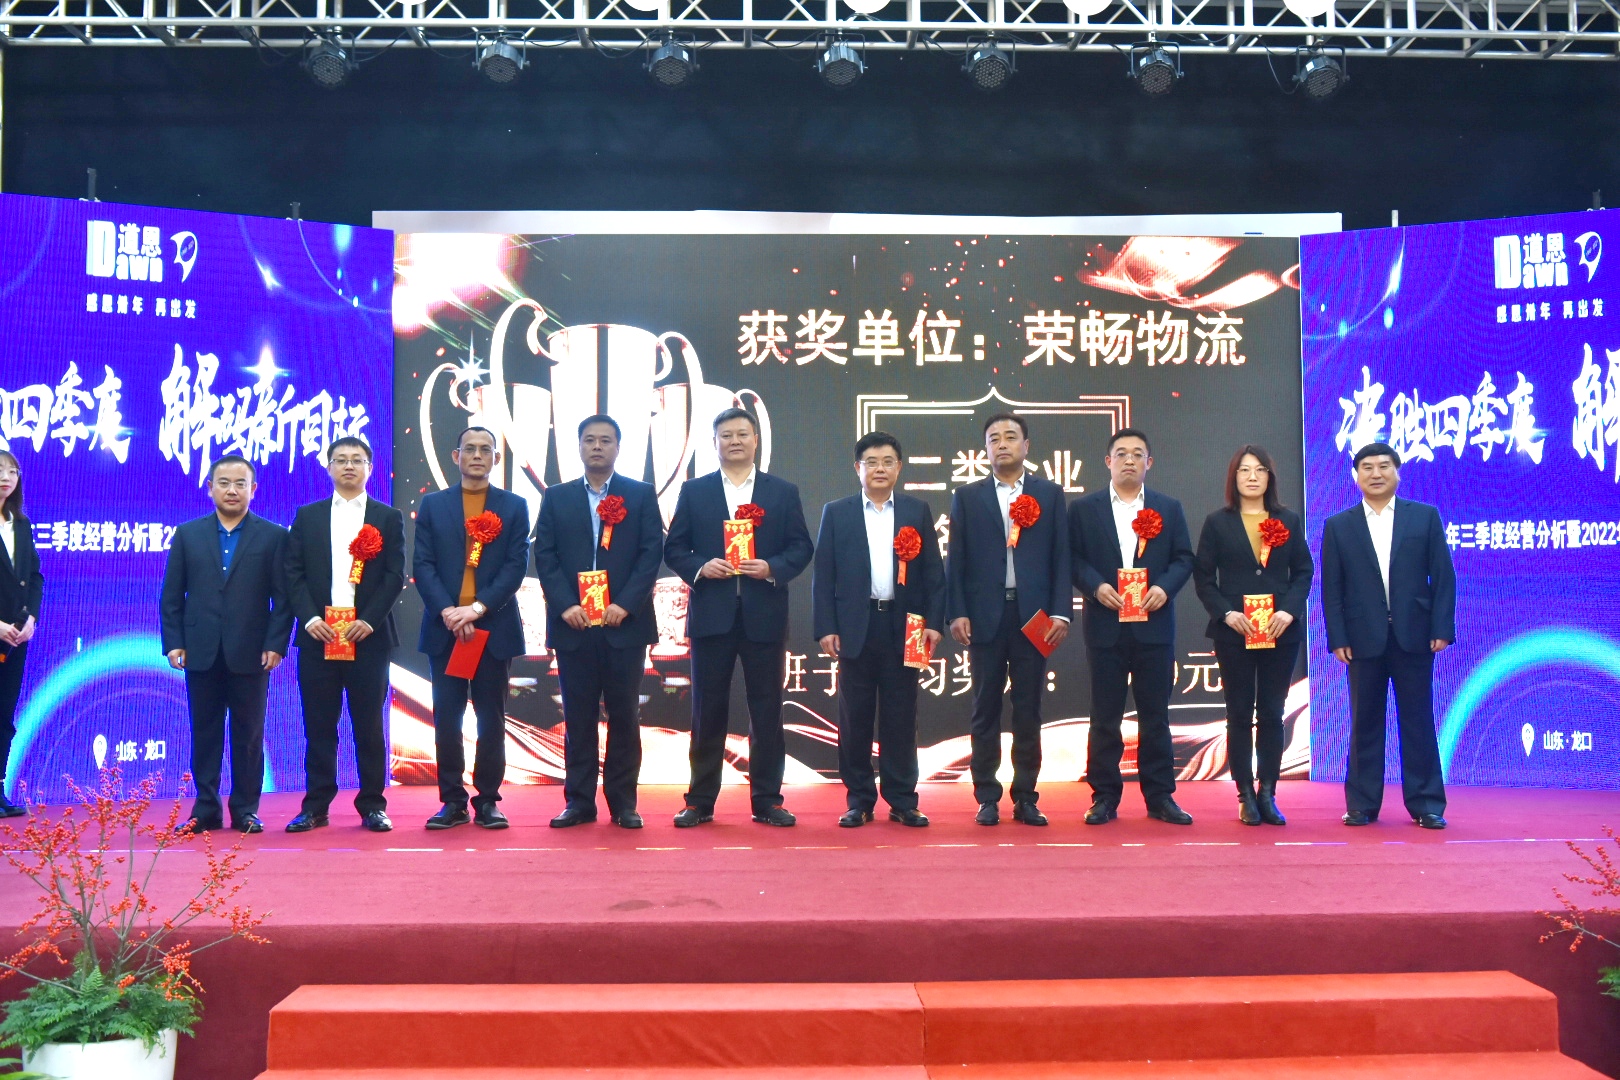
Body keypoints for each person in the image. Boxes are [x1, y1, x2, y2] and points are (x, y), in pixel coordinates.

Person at [664, 407, 814, 827]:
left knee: (767, 711)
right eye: (726, 435)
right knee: (706, 710)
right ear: (714, 443)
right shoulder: (695, 491)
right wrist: (700, 567)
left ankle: (767, 800)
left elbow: (801, 547)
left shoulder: (781, 492)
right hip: (712, 616)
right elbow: (674, 548)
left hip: (764, 616)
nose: (734, 441)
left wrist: (771, 567)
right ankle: (699, 801)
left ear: (756, 440)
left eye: (742, 434)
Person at [532, 415, 664, 830]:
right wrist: (564, 604)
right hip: (574, 625)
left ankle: (624, 804)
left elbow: (651, 553)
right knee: (579, 718)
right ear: (578, 446)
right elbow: (545, 555)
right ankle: (579, 802)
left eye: (605, 440)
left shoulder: (639, 494)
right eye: (589, 440)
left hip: (624, 625)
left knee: (625, 716)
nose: (597, 447)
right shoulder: (557, 497)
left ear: (618, 447)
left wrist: (626, 603)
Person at [1320, 441, 1455, 830]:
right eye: (1367, 467)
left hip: (1415, 636)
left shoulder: (1424, 517)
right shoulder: (1339, 525)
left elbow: (1443, 577)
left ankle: (1427, 804)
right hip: (1362, 639)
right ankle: (1362, 804)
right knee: (1364, 722)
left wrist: (1442, 628)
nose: (1375, 473)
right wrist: (1337, 636)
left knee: (1418, 721)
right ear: (1356, 476)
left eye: (1383, 466)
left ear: (1397, 472)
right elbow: (1332, 588)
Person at [812, 432, 945, 828]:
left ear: (899, 468)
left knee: (901, 717)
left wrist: (934, 624)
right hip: (856, 626)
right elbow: (824, 576)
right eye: (871, 462)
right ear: (858, 468)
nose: (880, 468)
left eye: (888, 461)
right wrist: (826, 627)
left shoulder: (916, 510)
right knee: (854, 718)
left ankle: (903, 800)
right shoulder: (837, 513)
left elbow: (934, 574)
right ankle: (859, 800)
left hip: (906, 627)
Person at [946, 413, 1070, 827]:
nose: (1002, 444)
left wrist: (1060, 611)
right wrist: (957, 611)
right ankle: (986, 796)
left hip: (1034, 616)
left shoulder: (1049, 494)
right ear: (985, 448)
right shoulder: (968, 496)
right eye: (994, 438)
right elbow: (956, 559)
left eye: (1010, 437)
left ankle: (1026, 796)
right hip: (985, 615)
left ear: (1026, 446)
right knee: (984, 707)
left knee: (1028, 708)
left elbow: (1061, 556)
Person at [160, 454, 293, 833]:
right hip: (199, 649)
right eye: (224, 483)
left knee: (248, 735)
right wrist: (174, 642)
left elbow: (283, 598)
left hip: (252, 651)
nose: (232, 490)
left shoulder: (273, 536)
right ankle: (205, 809)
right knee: (205, 733)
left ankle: (245, 809)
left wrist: (276, 643)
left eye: (240, 484)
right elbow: (172, 596)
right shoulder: (188, 534)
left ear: (253, 489)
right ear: (210, 489)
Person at [1069, 428, 1195, 826]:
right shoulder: (1084, 509)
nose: (1129, 460)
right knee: (1104, 716)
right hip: (1105, 625)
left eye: (1137, 454)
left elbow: (1183, 558)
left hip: (1153, 627)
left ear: (1149, 463)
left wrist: (1164, 588)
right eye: (1121, 453)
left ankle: (1160, 797)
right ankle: (1104, 797)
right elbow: (1072, 559)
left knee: (1155, 716)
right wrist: (1095, 586)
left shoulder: (1168, 507)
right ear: (1108, 462)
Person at [283, 436, 405, 834]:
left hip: (367, 637)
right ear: (329, 467)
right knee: (319, 726)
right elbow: (293, 574)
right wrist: (308, 618)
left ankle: (373, 805)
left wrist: (369, 620)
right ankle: (316, 806)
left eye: (357, 459)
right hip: (319, 637)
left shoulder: (387, 517)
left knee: (368, 725)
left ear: (370, 467)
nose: (349, 466)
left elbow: (394, 576)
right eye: (341, 460)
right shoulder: (308, 516)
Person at [412, 426, 532, 831]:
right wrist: (449, 611)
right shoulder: (434, 505)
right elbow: (423, 563)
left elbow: (515, 567)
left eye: (485, 449)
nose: (477, 455)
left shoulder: (514, 506)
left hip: (492, 629)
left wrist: (477, 609)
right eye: (470, 449)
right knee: (447, 718)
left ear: (496, 458)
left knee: (491, 719)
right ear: (456, 456)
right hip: (445, 629)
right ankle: (452, 801)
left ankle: (488, 801)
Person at [1192, 445, 1313, 826]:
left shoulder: (1287, 520)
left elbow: (1304, 571)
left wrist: (1288, 610)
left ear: (1269, 477)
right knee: (1239, 713)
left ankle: (1268, 793)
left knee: (1273, 713)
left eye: (1260, 470)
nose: (1252, 476)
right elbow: (1203, 577)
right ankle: (1244, 793)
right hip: (1235, 632)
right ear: (1234, 477)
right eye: (1244, 470)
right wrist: (1226, 613)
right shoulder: (1217, 522)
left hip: (1279, 630)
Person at [0, 451, 42, 818]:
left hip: (15, 637)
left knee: (4, 713)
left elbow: (34, 577)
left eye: (11, 471)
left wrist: (30, 619)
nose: (5, 477)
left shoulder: (21, 524)